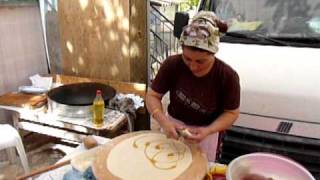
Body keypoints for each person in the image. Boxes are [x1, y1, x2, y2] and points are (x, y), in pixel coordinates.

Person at [146, 11, 240, 162]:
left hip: (207, 131)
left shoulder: (227, 76)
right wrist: (163, 121)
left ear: (213, 54)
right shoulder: (173, 64)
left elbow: (231, 113)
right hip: (174, 126)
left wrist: (209, 130)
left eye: (201, 61)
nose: (193, 67)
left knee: (200, 171)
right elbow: (153, 96)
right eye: (187, 58)